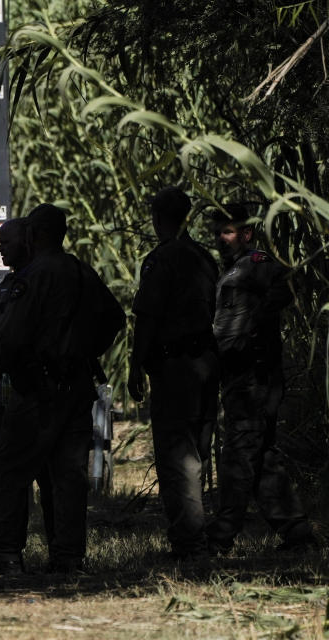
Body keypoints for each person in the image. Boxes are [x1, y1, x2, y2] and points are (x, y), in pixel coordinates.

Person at [0, 204, 124, 575]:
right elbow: (115, 317)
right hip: (77, 385)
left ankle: (6, 552)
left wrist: (15, 366)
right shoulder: (82, 271)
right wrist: (86, 351)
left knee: (12, 468)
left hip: (38, 387)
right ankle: (68, 555)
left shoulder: (35, 275)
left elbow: (15, 333)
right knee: (69, 475)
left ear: (34, 235)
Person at [205, 204, 315, 553]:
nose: (220, 238)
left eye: (228, 231)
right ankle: (296, 532)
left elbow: (285, 289)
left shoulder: (256, 264)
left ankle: (221, 536)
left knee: (239, 454)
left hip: (254, 377)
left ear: (247, 234)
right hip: (240, 377)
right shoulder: (232, 271)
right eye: (218, 231)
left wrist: (252, 330)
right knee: (262, 456)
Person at [127, 186, 219, 558]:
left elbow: (147, 317)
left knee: (177, 455)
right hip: (205, 364)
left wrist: (136, 364)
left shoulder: (161, 260)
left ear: (157, 219)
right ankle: (197, 534)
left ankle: (188, 541)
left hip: (175, 366)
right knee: (199, 449)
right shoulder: (204, 258)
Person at [0, 218, 54, 571]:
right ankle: (6, 550)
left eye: (6, 242)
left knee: (48, 474)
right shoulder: (9, 285)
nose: (1, 249)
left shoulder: (41, 280)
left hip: (40, 389)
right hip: (8, 389)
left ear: (28, 242)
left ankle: (59, 554)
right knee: (7, 473)